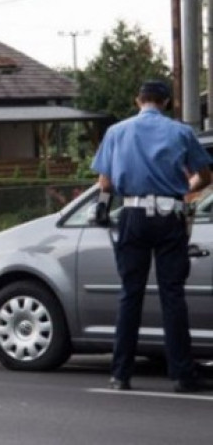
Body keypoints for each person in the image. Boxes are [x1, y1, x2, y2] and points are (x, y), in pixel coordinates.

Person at [91, 79, 211, 393]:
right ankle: (182, 375)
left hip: (132, 216)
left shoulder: (116, 132)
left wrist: (103, 208)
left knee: (130, 294)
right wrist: (185, 190)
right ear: (167, 102)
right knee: (172, 295)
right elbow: (205, 175)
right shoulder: (182, 132)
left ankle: (120, 374)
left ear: (137, 100)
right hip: (169, 217)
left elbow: (104, 184)